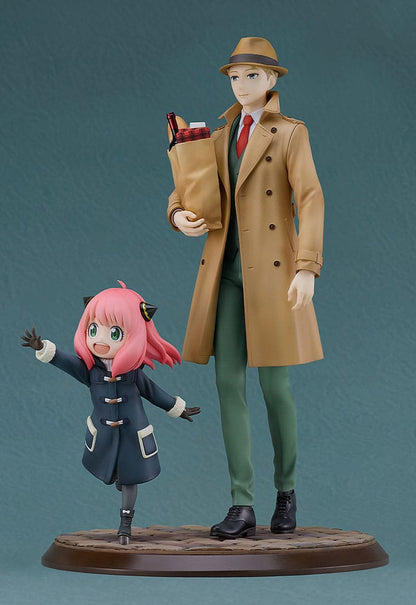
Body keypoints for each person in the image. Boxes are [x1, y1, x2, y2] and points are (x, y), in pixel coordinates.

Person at [167, 37, 324, 539]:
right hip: (226, 272)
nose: (241, 84)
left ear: (272, 79)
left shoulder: (290, 133)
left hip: (274, 274)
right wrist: (179, 214)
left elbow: (311, 198)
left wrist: (307, 267)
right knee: (227, 384)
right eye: (235, 76)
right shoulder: (219, 136)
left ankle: (286, 492)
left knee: (275, 386)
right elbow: (188, 186)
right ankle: (242, 503)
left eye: (251, 75)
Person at [21, 281, 200, 544]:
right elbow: (66, 362)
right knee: (113, 473)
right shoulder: (90, 371)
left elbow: (153, 392)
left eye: (114, 333)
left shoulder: (133, 374)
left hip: (133, 434)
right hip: (104, 436)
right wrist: (44, 349)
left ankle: (125, 524)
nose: (101, 340)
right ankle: (117, 476)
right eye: (93, 329)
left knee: (130, 479)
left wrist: (176, 407)